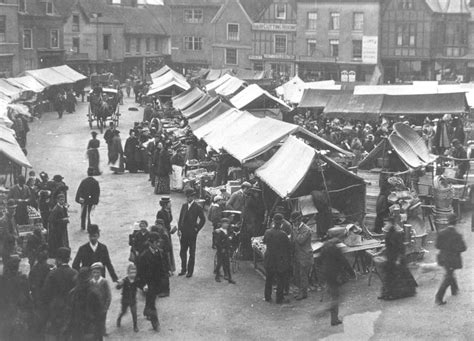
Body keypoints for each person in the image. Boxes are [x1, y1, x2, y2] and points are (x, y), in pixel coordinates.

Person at [379, 206, 417, 300]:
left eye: (386, 224)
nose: (384, 226)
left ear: (390, 224)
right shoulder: (389, 233)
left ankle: (392, 294)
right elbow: (387, 246)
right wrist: (381, 252)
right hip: (391, 257)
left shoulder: (396, 233)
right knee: (389, 276)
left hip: (396, 258)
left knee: (396, 276)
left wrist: (398, 259)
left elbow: (401, 247)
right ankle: (386, 294)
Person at [42, 247, 78, 340]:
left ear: (58, 260)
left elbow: (45, 293)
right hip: (71, 309)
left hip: (56, 309)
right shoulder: (75, 273)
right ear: (68, 259)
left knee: (57, 333)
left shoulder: (52, 274)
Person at [320, 238, 355, 326]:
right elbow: (344, 262)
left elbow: (320, 260)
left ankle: (332, 315)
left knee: (332, 294)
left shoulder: (325, 246)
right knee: (336, 297)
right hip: (335, 275)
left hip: (327, 274)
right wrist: (352, 273)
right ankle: (332, 316)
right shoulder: (336, 249)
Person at [136, 232, 166, 331]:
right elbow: (139, 273)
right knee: (152, 303)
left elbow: (161, 266)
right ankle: (155, 323)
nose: (158, 244)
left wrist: (164, 275)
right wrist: (143, 284)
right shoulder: (143, 256)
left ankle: (146, 311)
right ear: (151, 243)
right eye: (156, 242)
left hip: (156, 281)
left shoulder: (158, 252)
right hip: (148, 283)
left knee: (151, 299)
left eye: (158, 242)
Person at [0, 256, 33, 341]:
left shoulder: (2, 279)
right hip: (18, 314)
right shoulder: (22, 279)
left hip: (5, 314)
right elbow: (27, 298)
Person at [68, 267, 104, 341]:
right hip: (90, 329)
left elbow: (70, 313)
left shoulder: (72, 293)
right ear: (89, 278)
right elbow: (99, 315)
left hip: (77, 330)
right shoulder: (95, 292)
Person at [435, 225, 467, 305]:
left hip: (443, 257)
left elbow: (437, 246)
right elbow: (463, 248)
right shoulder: (458, 235)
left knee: (450, 273)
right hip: (453, 259)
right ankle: (439, 297)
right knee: (448, 276)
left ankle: (454, 289)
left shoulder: (441, 233)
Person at [177, 188, 206, 278]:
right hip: (184, 233)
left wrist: (197, 228)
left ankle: (190, 271)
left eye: (189, 197)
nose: (188, 198)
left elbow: (203, 219)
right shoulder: (184, 206)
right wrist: (179, 229)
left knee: (191, 253)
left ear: (193, 197)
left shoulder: (197, 207)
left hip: (192, 233)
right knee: (182, 252)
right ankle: (183, 269)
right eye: (187, 197)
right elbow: (181, 218)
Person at [263, 219, 291, 304]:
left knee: (269, 278)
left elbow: (264, 241)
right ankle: (279, 298)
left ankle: (267, 297)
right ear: (281, 224)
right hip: (279, 260)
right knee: (280, 279)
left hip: (269, 259)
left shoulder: (267, 232)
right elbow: (288, 246)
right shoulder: (283, 234)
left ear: (274, 223)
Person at [290, 211, 313, 300]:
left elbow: (300, 240)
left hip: (305, 256)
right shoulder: (295, 229)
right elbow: (292, 241)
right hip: (297, 255)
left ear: (299, 220)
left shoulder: (306, 229)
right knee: (297, 275)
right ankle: (300, 291)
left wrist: (295, 231)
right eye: (293, 222)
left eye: (295, 221)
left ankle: (304, 293)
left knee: (303, 275)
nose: (294, 223)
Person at [28, 250, 50, 335]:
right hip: (44, 296)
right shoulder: (47, 268)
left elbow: (30, 282)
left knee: (37, 314)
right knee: (44, 315)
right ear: (45, 259)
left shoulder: (34, 268)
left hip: (35, 295)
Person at [90, 262, 112, 337]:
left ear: (101, 272)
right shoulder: (90, 282)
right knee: (95, 320)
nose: (96, 274)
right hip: (93, 306)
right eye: (94, 272)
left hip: (102, 306)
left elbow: (108, 295)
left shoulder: (104, 282)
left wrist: (106, 306)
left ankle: (103, 331)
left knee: (102, 320)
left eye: (98, 272)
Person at [116, 263, 139, 333]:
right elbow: (118, 287)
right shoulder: (125, 280)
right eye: (131, 272)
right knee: (123, 311)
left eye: (134, 272)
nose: (133, 274)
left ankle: (135, 326)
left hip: (133, 299)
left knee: (134, 313)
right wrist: (119, 284)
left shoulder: (136, 280)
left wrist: (144, 287)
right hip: (125, 300)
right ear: (128, 273)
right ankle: (119, 318)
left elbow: (140, 284)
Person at [156, 197, 176, 272]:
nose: (171, 204)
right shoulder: (160, 213)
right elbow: (159, 225)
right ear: (165, 204)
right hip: (163, 234)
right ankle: (166, 269)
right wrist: (166, 231)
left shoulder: (168, 211)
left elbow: (169, 221)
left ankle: (170, 267)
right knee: (165, 250)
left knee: (169, 249)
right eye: (169, 203)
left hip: (168, 233)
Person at [213, 218, 236, 284]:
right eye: (225, 223)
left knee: (227, 264)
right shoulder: (219, 231)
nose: (226, 225)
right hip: (221, 250)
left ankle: (229, 278)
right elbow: (217, 242)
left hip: (226, 249)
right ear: (222, 224)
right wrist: (221, 248)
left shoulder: (228, 231)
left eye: (227, 223)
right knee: (219, 263)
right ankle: (217, 276)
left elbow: (230, 237)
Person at [48, 193, 70, 257]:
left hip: (62, 229)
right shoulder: (55, 209)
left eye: (63, 200)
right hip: (57, 230)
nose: (62, 201)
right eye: (61, 200)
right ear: (57, 200)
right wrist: (62, 220)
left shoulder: (62, 207)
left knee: (63, 242)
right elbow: (51, 220)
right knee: (59, 243)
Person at [0, 199, 19, 264]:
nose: (14, 210)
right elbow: (6, 234)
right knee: (8, 265)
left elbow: (14, 229)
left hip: (12, 245)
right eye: (12, 208)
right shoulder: (4, 220)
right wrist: (15, 238)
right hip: (6, 246)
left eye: (14, 208)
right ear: (7, 208)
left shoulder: (12, 217)